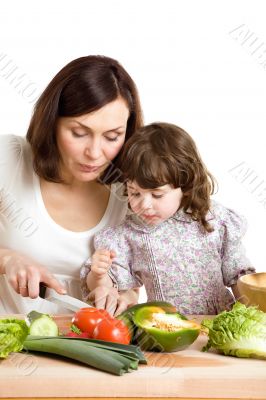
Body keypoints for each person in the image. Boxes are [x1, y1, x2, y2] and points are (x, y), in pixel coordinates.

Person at [0, 55, 143, 315]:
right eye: (79, 133)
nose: (94, 152)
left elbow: (144, 272)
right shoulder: (10, 158)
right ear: (52, 122)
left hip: (88, 350)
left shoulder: (135, 192)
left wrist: (125, 294)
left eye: (112, 137)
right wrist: (7, 259)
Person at [81, 122, 255, 315]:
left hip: (220, 324)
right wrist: (98, 275)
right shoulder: (128, 235)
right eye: (134, 193)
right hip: (165, 328)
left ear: (186, 186)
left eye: (157, 195)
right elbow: (117, 290)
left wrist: (252, 317)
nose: (144, 205)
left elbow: (240, 279)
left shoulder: (216, 220)